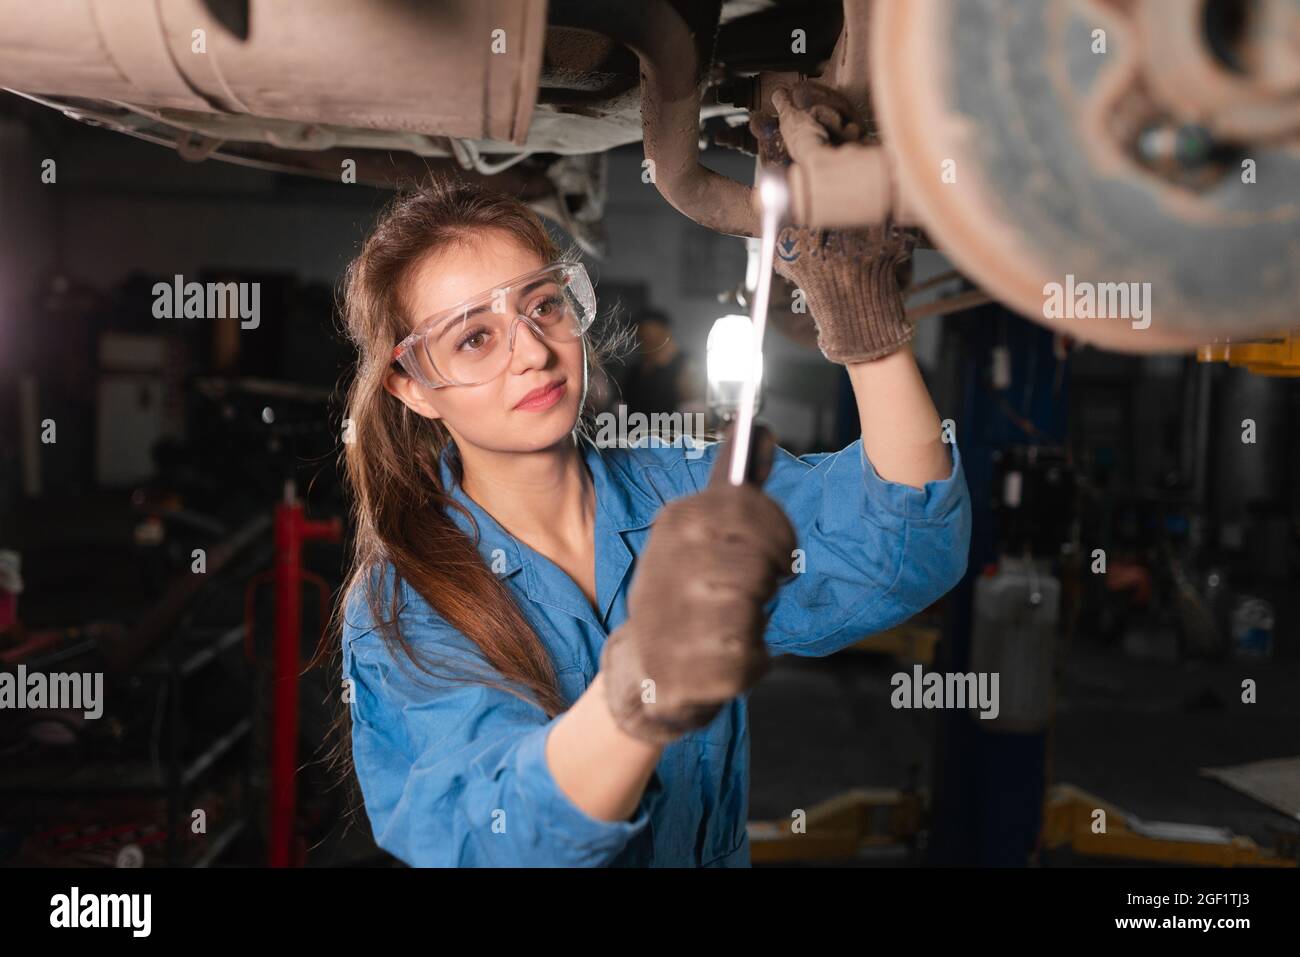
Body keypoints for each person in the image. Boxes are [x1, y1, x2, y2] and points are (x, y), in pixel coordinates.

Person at [331, 82, 971, 867]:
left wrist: (866, 323)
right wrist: (641, 685)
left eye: (543, 306)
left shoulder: (684, 489)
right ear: (412, 386)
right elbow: (493, 833)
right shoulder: (406, 602)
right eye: (473, 339)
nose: (532, 350)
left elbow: (904, 544)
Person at [619, 308, 702, 417]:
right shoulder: (635, 370)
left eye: (648, 336)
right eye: (640, 337)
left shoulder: (686, 365)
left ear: (665, 333)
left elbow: (694, 408)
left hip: (673, 431)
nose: (643, 341)